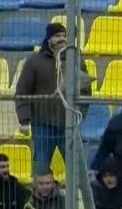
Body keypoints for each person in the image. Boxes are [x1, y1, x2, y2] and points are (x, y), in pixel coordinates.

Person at [15, 22, 93, 174]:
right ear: (48, 39)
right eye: (57, 36)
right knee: (41, 166)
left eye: (64, 36)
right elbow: (22, 91)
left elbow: (85, 89)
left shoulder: (76, 60)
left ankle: (77, 192)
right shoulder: (34, 61)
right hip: (42, 125)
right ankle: (40, 190)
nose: (61, 39)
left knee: (76, 169)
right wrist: (24, 120)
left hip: (69, 124)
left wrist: (80, 113)